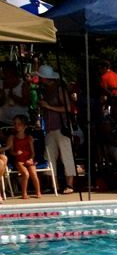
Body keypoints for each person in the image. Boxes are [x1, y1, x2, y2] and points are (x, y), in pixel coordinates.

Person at [38, 64, 76, 194]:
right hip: (50, 127)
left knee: (66, 155)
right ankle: (55, 184)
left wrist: (49, 107)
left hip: (61, 127)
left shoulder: (59, 89)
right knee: (49, 156)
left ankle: (69, 185)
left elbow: (68, 108)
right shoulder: (45, 90)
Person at [6, 115, 40, 199]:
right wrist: (16, 153)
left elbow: (33, 152)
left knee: (33, 174)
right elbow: (11, 151)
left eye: (19, 124)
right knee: (26, 174)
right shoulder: (12, 137)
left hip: (28, 160)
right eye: (15, 124)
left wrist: (31, 159)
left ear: (25, 126)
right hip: (19, 161)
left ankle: (38, 192)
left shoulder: (29, 137)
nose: (16, 126)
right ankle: (24, 193)